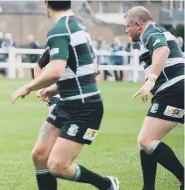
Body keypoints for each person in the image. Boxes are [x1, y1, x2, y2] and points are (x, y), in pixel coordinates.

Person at [11, 1, 119, 190]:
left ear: (46, 4)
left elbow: (56, 70)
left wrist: (28, 87)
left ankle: (107, 184)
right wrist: (53, 89)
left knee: (58, 166)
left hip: (84, 108)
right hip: (68, 103)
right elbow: (89, 71)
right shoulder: (77, 26)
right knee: (40, 155)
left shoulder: (60, 29)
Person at [124, 6, 184, 190]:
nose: (126, 30)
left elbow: (163, 50)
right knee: (147, 141)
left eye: (127, 26)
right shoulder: (155, 32)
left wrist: (150, 81)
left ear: (138, 24)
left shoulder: (150, 32)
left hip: (173, 88)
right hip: (173, 89)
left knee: (146, 139)